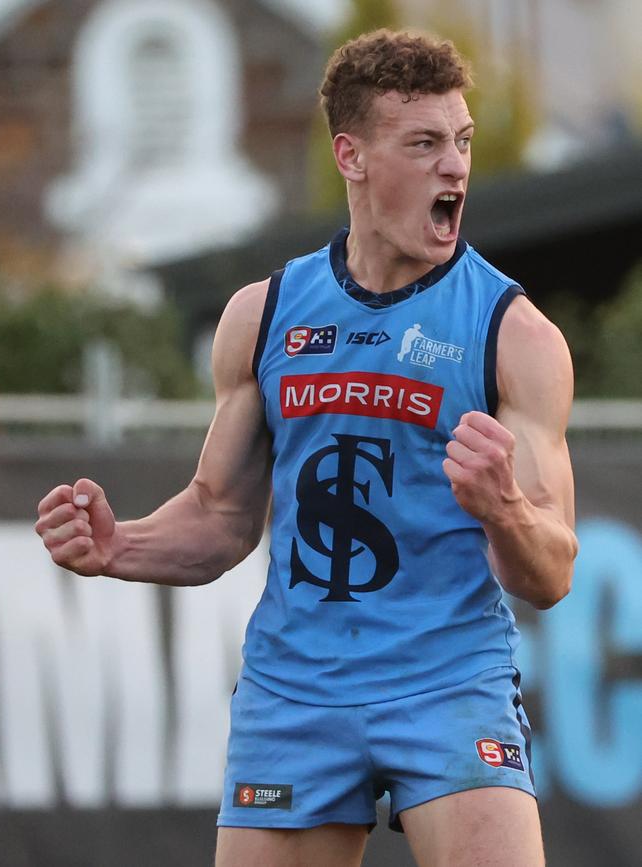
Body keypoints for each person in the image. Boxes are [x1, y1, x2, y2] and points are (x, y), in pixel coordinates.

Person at [35, 29, 577, 867]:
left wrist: (505, 507)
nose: (456, 168)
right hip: (297, 690)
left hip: (449, 681)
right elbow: (220, 518)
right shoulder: (264, 314)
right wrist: (120, 546)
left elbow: (553, 574)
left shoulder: (515, 334)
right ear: (351, 156)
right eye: (426, 144)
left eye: (462, 142)